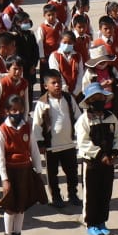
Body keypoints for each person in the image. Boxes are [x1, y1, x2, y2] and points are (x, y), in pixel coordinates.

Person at [0, 93, 47, 235]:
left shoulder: (27, 128)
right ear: (7, 111)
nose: (17, 113)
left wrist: (38, 170)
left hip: (25, 170)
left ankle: (18, 234)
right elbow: (0, 157)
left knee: (21, 206)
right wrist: (4, 179)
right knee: (10, 207)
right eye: (13, 110)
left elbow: (34, 150)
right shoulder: (2, 131)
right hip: (11, 172)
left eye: (20, 110)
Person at [75, 82, 118, 235]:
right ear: (88, 101)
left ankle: (102, 222)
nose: (99, 100)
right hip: (92, 164)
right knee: (91, 194)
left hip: (108, 163)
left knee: (105, 193)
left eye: (101, 97)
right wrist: (101, 155)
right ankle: (91, 223)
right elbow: (83, 143)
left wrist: (114, 152)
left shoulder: (111, 117)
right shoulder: (84, 120)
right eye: (95, 98)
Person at [32, 69, 80, 208]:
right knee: (52, 175)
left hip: (69, 144)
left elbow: (78, 117)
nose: (57, 85)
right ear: (46, 86)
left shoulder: (69, 99)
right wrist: (40, 143)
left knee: (72, 172)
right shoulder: (42, 103)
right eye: (53, 83)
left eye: (59, 82)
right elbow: (37, 125)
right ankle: (56, 197)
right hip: (51, 146)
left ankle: (73, 194)